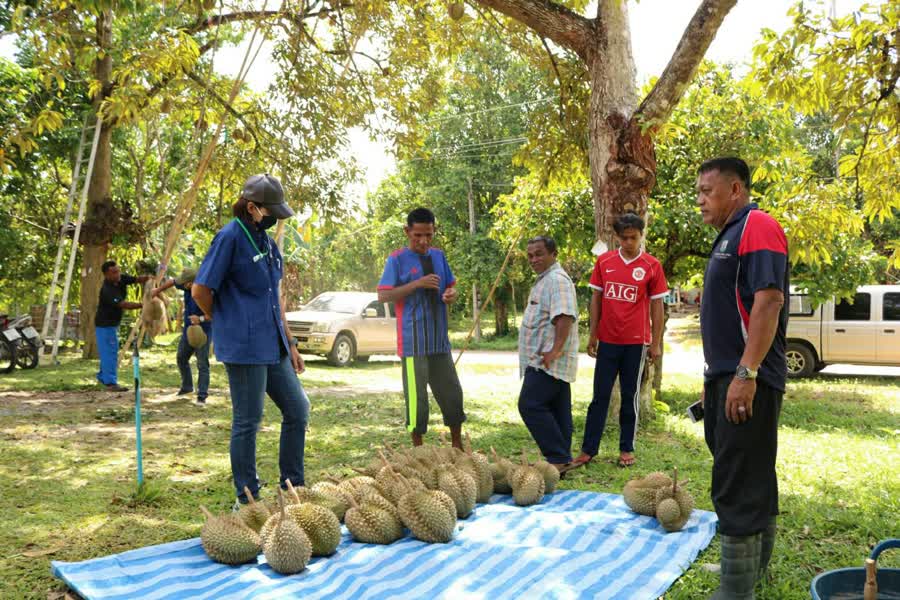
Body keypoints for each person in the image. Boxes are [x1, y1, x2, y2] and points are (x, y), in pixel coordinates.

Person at [696, 157, 788, 599]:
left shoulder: (758, 225)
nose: (699, 201)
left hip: (748, 379)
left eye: (706, 192)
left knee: (735, 476)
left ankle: (736, 589)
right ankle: (751, 569)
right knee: (751, 473)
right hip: (727, 376)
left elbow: (769, 302)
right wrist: (715, 376)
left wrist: (746, 373)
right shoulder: (728, 236)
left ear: (735, 190)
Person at [192, 173, 310, 507]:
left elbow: (275, 297)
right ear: (252, 207)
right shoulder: (230, 237)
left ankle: (293, 487)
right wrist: (224, 317)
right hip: (244, 346)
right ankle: (247, 498)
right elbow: (201, 289)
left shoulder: (265, 241)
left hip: (273, 344)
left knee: (298, 409)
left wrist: (291, 345)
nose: (273, 217)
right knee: (249, 419)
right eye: (269, 210)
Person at [571, 213, 668, 469]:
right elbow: (596, 300)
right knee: (599, 397)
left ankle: (626, 448)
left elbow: (657, 307)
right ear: (616, 238)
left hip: (636, 343)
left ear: (641, 236)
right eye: (624, 238)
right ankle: (588, 450)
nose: (629, 242)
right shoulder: (604, 262)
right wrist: (593, 335)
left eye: (633, 238)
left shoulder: (651, 266)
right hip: (608, 341)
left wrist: (655, 342)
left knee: (630, 395)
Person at [377, 207, 466, 449]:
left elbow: (452, 287)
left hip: (439, 340)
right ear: (407, 232)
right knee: (417, 401)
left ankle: (457, 445)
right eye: (418, 235)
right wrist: (417, 284)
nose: (424, 241)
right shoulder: (396, 259)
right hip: (412, 341)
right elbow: (384, 295)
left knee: (452, 394)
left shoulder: (439, 256)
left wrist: (451, 294)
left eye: (428, 234)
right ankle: (419, 450)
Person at [517, 236, 578, 472]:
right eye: (530, 255)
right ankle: (563, 458)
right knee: (557, 407)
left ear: (554, 254)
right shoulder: (545, 281)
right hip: (544, 359)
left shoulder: (556, 281)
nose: (534, 259)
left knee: (530, 404)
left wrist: (556, 350)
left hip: (548, 360)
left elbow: (564, 317)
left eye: (539, 254)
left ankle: (557, 457)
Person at [153, 267, 211, 405]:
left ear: (191, 283)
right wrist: (157, 290)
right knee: (181, 357)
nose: (182, 286)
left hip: (203, 331)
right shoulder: (186, 285)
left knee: (202, 363)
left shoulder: (207, 291)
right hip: (188, 330)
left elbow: (216, 314)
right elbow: (173, 282)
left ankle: (202, 396)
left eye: (184, 284)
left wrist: (200, 319)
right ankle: (187, 387)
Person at [94, 261, 151, 392]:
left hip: (112, 324)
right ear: (106, 274)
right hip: (105, 325)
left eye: (118, 270)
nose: (118, 274)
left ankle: (103, 377)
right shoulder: (107, 290)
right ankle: (110, 383)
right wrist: (143, 304)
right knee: (110, 353)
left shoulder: (120, 279)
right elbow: (123, 304)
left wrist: (149, 279)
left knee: (108, 352)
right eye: (114, 272)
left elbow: (136, 279)